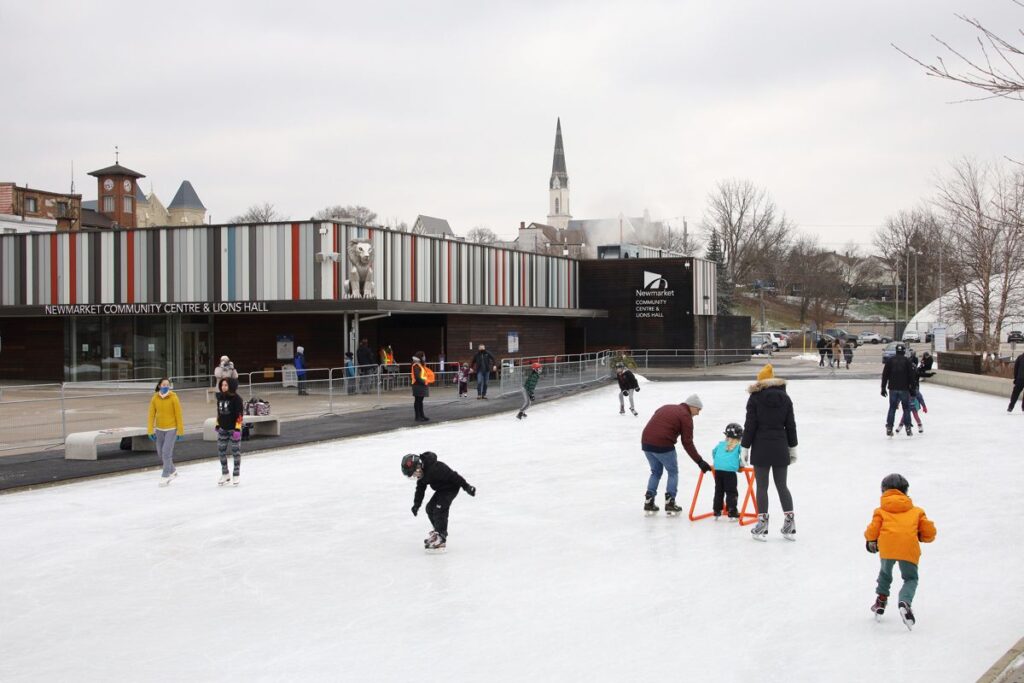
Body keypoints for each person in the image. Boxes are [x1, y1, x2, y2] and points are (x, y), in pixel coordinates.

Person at [865, 473, 937, 630]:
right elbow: (929, 532)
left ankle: (881, 600)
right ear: (905, 491)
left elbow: (872, 530)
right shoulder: (917, 511)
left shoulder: (880, 511)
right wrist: (922, 536)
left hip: (887, 547)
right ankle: (905, 602)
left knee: (885, 573)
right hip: (908, 548)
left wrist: (870, 541)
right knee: (910, 578)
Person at [741, 363, 798, 541]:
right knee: (782, 486)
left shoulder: (755, 398)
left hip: (761, 446)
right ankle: (790, 525)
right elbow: (790, 425)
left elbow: (750, 425)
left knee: (762, 487)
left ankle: (762, 525)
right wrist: (793, 447)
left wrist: (745, 446)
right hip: (780, 445)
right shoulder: (785, 398)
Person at [640, 395, 713, 516]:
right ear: (692, 406)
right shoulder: (686, 416)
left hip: (646, 443)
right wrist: (699, 461)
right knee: (672, 472)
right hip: (663, 444)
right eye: (698, 410)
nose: (698, 413)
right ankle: (670, 502)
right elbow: (687, 442)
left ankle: (649, 501)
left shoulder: (666, 407)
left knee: (656, 472)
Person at [402, 451, 476, 553]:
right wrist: (416, 505)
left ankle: (441, 537)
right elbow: (420, 490)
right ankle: (437, 531)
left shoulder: (436, 468)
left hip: (451, 488)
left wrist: (467, 487)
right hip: (441, 490)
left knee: (439, 509)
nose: (416, 476)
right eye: (413, 475)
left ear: (419, 465)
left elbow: (454, 476)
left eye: (415, 472)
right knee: (429, 509)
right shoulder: (422, 476)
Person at [147, 377, 184, 487]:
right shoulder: (155, 398)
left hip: (171, 429)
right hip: (159, 429)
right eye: (163, 385)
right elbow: (151, 415)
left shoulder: (174, 397)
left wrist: (180, 431)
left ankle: (165, 475)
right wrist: (150, 430)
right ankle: (173, 471)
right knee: (160, 453)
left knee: (166, 453)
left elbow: (178, 414)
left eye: (167, 385)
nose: (165, 387)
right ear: (159, 386)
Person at [881, 342, 919, 437]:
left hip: (893, 388)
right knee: (906, 408)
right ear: (903, 351)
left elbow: (885, 375)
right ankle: (908, 428)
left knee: (892, 408)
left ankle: (889, 427)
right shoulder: (907, 361)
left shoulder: (890, 361)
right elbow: (911, 376)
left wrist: (883, 388)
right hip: (904, 388)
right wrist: (913, 389)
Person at [214, 376, 244, 486]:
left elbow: (239, 415)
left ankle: (236, 474)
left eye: (226, 385)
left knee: (235, 452)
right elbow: (219, 412)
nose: (223, 387)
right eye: (222, 385)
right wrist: (218, 424)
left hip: (233, 429)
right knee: (221, 451)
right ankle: (225, 473)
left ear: (231, 386)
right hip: (223, 428)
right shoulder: (220, 397)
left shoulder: (236, 399)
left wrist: (237, 428)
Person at [711, 423, 744, 521]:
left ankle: (717, 510)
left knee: (719, 490)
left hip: (718, 470)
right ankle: (732, 511)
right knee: (731, 492)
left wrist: (718, 462)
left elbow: (714, 452)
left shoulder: (721, 444)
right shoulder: (738, 446)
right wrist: (741, 466)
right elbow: (743, 457)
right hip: (730, 472)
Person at [411, 351, 433, 422]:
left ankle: (421, 415)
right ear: (420, 357)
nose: (424, 357)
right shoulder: (416, 365)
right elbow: (417, 376)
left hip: (420, 385)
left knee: (420, 401)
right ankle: (418, 417)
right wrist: (424, 382)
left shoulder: (420, 365)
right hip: (418, 385)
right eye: (423, 356)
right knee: (418, 401)